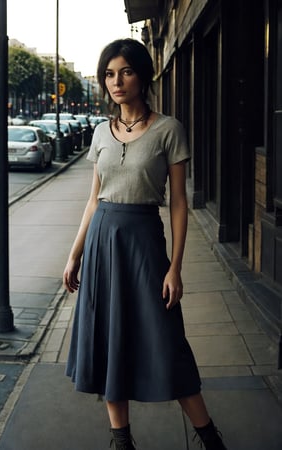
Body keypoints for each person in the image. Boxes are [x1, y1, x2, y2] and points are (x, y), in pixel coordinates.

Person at [63, 38, 227, 450]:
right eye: (109, 74)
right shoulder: (101, 132)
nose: (116, 81)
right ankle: (122, 441)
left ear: (143, 75)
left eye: (126, 71)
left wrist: (175, 267)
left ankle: (209, 437)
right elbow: (93, 199)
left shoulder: (169, 129)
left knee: (167, 339)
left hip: (144, 245)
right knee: (107, 336)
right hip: (103, 242)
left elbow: (178, 202)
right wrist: (74, 253)